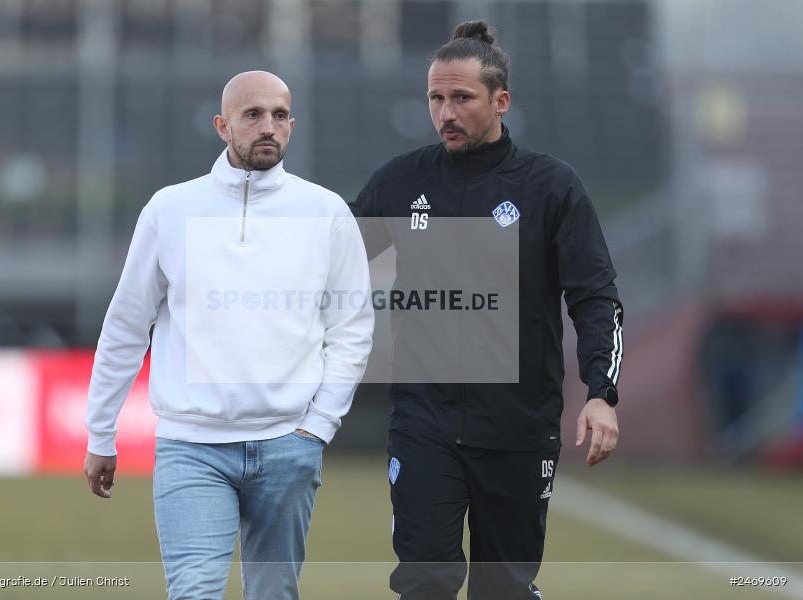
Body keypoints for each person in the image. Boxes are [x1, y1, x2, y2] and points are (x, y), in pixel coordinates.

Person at [352, 21, 623, 600]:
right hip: (423, 421)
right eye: (435, 98)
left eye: (461, 98)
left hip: (518, 425)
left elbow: (595, 297)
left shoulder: (552, 188)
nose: (445, 112)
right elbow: (331, 259)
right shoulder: (401, 182)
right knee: (425, 580)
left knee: (503, 588)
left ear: (501, 101)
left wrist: (601, 391)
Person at [84, 71, 374, 600]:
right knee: (193, 592)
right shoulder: (170, 209)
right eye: (253, 115)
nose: (269, 127)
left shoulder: (327, 212)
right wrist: (100, 432)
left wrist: (318, 425)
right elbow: (126, 325)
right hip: (190, 447)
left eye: (280, 116)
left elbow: (353, 328)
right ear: (222, 126)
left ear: (292, 124)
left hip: (290, 445)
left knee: (274, 595)